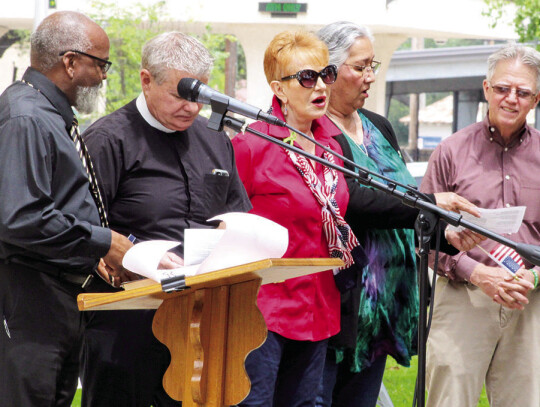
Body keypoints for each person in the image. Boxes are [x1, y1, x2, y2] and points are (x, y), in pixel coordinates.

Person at [315, 21, 484, 407]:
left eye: (372, 65)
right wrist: (429, 203)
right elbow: (352, 199)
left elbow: (402, 201)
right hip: (342, 304)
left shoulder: (380, 125)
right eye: (360, 67)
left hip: (386, 307)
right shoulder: (316, 130)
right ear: (328, 70)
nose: (370, 77)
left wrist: (446, 236)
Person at [80, 31, 252, 407]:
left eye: (199, 95)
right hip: (126, 328)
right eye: (178, 94)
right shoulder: (107, 140)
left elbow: (237, 216)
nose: (190, 108)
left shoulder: (216, 142)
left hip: (204, 323)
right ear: (146, 80)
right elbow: (82, 228)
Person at [0, 11, 133, 407]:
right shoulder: (27, 117)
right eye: (101, 64)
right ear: (70, 61)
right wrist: (102, 241)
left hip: (59, 301)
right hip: (28, 304)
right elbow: (19, 218)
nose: (105, 76)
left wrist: (94, 255)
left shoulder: (49, 114)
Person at [231, 30, 366, 406]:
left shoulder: (333, 148)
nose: (321, 85)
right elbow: (227, 224)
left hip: (319, 304)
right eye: (307, 78)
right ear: (279, 88)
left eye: (327, 74)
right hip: (264, 308)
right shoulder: (252, 145)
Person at [420, 44, 540, 407]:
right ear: (486, 89)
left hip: (529, 300)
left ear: (536, 99)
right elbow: (422, 235)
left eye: (523, 92)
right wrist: (477, 274)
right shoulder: (451, 151)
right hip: (463, 298)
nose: (511, 99)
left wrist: (532, 277)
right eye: (503, 88)